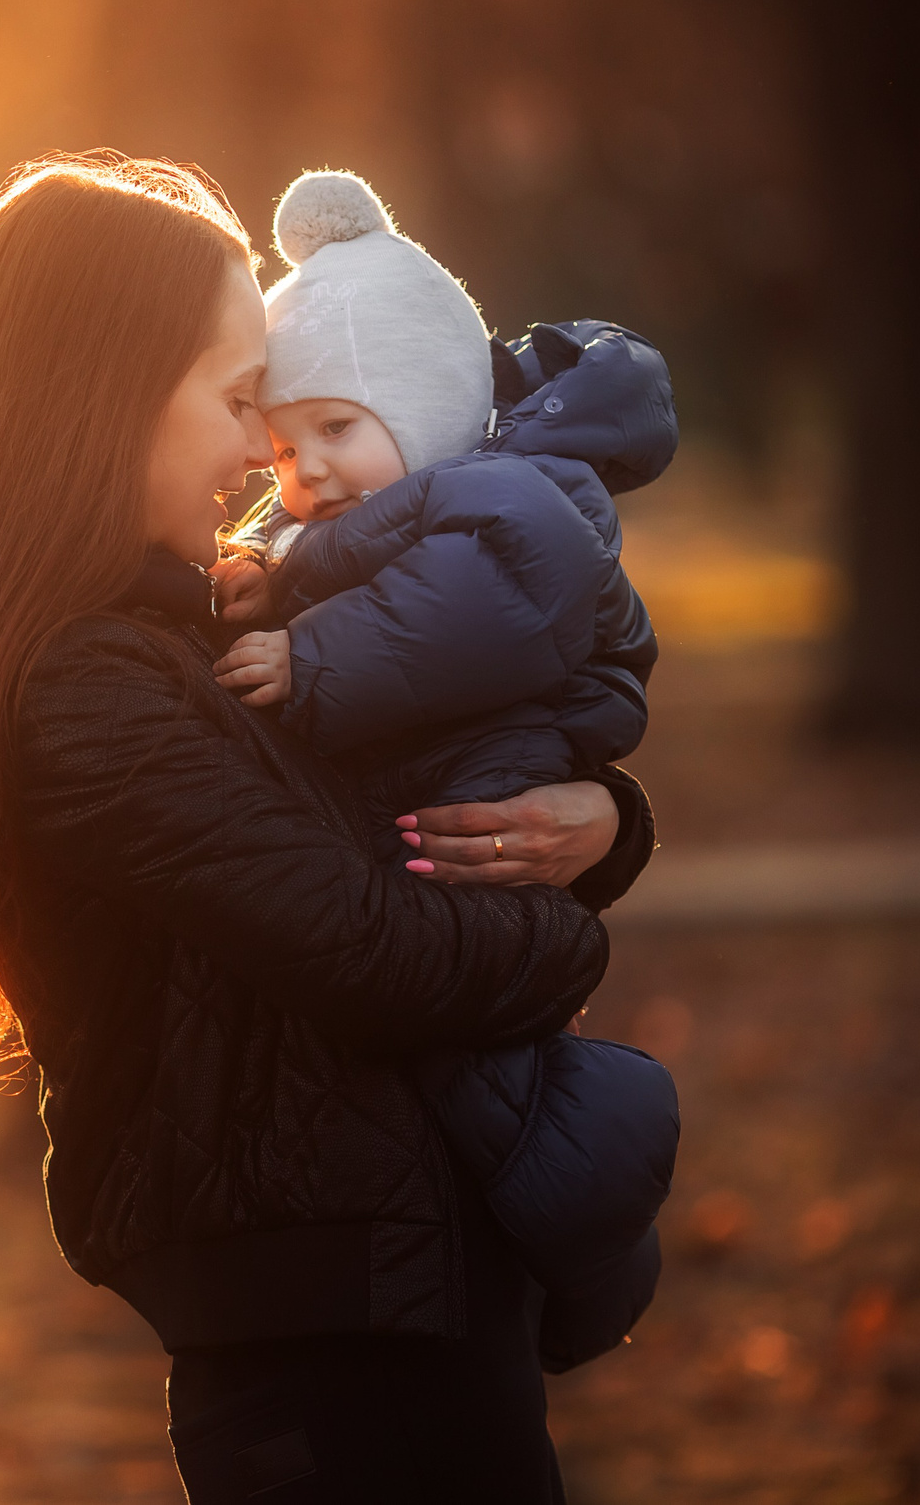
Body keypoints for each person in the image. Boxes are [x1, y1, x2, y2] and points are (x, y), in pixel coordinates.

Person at [0, 153, 654, 1502]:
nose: (261, 452)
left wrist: (605, 821)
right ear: (103, 395)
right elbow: (376, 947)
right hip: (332, 1334)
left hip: (375, 1292)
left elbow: (382, 808)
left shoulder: (162, 637)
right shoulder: (81, 687)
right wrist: (564, 932)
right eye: (240, 399)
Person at [207, 170, 682, 1375]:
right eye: (281, 445)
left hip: (497, 751)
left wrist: (306, 658)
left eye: (336, 429)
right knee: (477, 1070)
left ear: (419, 410)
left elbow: (474, 614)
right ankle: (570, 1261)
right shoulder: (381, 515)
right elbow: (342, 569)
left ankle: (581, 1249)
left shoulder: (504, 502)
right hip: (455, 774)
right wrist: (269, 578)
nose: (303, 471)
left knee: (488, 1064)